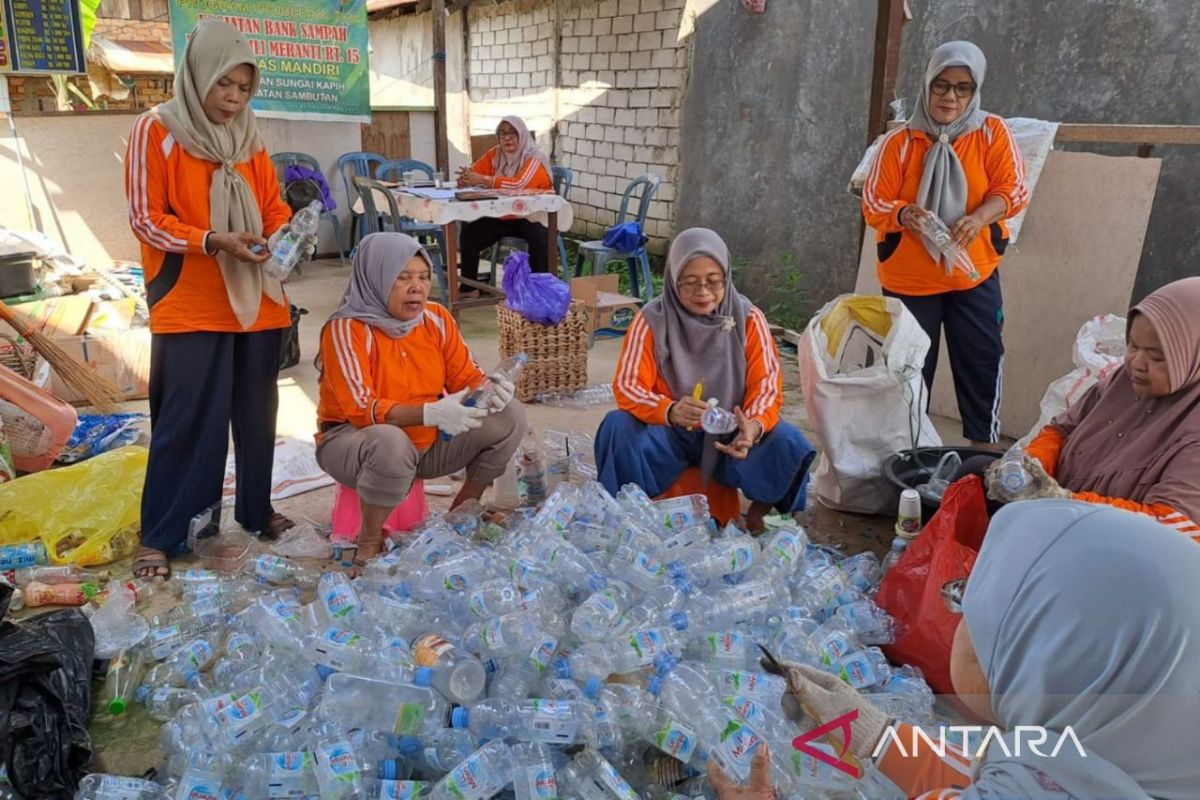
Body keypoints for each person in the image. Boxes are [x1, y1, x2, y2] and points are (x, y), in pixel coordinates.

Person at [711, 501, 1200, 799]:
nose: (961, 623)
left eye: (974, 605)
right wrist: (876, 736)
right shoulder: (1114, 759)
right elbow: (1001, 776)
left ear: (1049, 662)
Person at [125, 19, 314, 579]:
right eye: (223, 85)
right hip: (188, 299)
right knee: (188, 420)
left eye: (243, 87)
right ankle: (169, 530)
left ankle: (257, 511)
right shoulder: (156, 131)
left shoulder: (250, 138)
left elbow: (271, 203)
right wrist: (210, 240)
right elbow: (145, 219)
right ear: (197, 76)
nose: (233, 98)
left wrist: (286, 230)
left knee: (257, 416)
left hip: (256, 298)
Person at [315, 233, 527, 565]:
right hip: (350, 443)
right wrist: (430, 413)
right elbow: (360, 409)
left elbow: (468, 378)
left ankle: (463, 511)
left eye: (423, 277)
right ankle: (369, 541)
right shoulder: (346, 329)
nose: (417, 287)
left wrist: (494, 391)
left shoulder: (436, 319)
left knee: (509, 415)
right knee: (390, 441)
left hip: (427, 445)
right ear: (376, 278)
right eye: (403, 278)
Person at [594, 228, 816, 533]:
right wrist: (669, 410)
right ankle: (631, 517)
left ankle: (763, 515)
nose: (703, 292)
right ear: (673, 280)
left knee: (788, 441)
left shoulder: (748, 318)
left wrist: (752, 426)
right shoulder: (651, 320)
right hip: (667, 435)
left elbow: (767, 385)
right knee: (617, 427)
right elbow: (628, 385)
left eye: (714, 281)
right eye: (690, 282)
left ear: (726, 277)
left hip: (730, 439)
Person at [862, 41, 1027, 447]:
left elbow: (1014, 189)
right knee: (910, 370)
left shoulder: (991, 133)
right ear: (926, 85)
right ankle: (910, 451)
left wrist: (979, 218)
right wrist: (905, 214)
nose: (950, 97)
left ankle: (982, 451)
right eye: (941, 86)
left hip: (973, 274)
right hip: (910, 280)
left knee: (982, 360)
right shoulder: (900, 142)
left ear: (975, 91)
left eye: (962, 88)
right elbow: (873, 201)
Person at [964, 276, 1200, 537]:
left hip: (1116, 544)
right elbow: (1062, 429)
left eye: (1157, 356)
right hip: (1063, 509)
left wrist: (1067, 503)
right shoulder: (1123, 382)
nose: (1137, 363)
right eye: (1133, 346)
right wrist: (1032, 467)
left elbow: (1177, 528)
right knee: (975, 473)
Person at [455, 116, 554, 291]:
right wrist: (466, 179)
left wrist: (484, 180)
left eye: (512, 133)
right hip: (505, 215)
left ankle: (540, 290)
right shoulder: (496, 154)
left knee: (539, 236)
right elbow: (474, 172)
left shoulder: (534, 157)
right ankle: (469, 288)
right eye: (502, 134)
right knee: (470, 233)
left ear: (522, 134)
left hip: (534, 216)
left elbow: (519, 184)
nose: (507, 138)